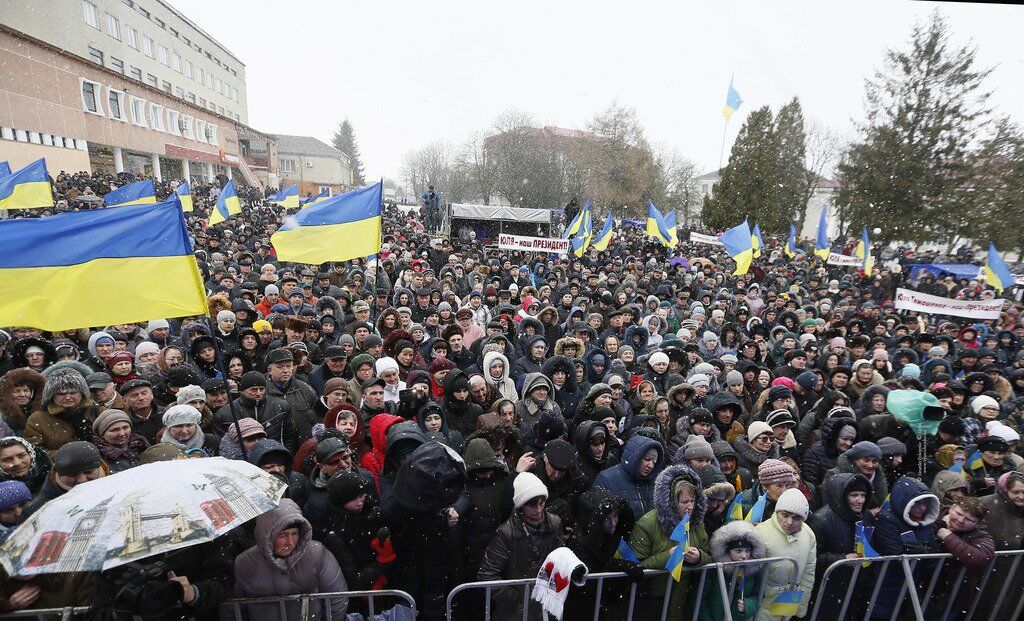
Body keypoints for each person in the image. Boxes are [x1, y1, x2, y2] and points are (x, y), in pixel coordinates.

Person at [232, 498, 348, 621]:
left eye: (295, 534)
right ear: (266, 535)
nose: (290, 542)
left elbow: (336, 599)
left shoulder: (317, 554)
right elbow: (233, 608)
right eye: (282, 535)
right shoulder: (244, 563)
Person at [478, 472, 564, 621]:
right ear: (521, 505)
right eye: (532, 504)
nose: (538, 510)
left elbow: (561, 558)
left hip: (545, 608)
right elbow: (487, 575)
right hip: (516, 613)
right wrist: (516, 601)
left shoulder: (554, 523)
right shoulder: (506, 533)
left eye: (541, 502)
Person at [629, 464, 710, 620]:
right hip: (653, 600)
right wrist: (668, 556)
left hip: (683, 598)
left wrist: (699, 557)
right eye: (684, 502)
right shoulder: (648, 524)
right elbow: (635, 565)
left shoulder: (697, 523)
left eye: (692, 501)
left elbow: (710, 554)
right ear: (672, 501)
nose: (690, 507)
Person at [754, 488, 816, 621]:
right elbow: (749, 577)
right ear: (777, 512)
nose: (789, 522)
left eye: (796, 518)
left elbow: (808, 574)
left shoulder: (808, 534)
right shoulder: (761, 532)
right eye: (785, 515)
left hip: (788, 607)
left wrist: (801, 609)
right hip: (760, 607)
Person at [928, 497, 995, 619]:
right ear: (952, 507)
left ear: (978, 523)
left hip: (950, 594)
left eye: (969, 519)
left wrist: (948, 537)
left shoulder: (980, 535)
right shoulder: (931, 516)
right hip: (921, 584)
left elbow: (980, 557)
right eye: (958, 513)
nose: (960, 520)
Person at [700, 520, 766, 621]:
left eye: (747, 551)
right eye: (738, 551)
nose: (744, 556)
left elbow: (758, 596)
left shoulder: (755, 571)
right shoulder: (714, 570)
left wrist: (747, 606)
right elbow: (700, 599)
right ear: (727, 551)